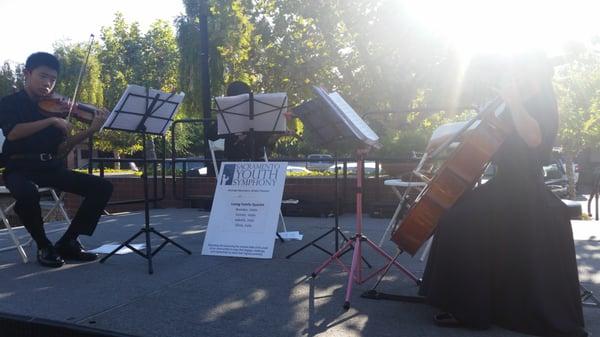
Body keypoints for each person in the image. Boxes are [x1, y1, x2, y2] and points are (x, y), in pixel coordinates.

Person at [418, 53, 587, 337]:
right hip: (505, 184)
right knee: (455, 216)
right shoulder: (518, 100)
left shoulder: (542, 99)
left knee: (459, 221)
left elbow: (533, 139)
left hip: (523, 187)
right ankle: (471, 299)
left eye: (523, 69)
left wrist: (513, 101)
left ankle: (470, 310)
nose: (518, 75)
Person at [0, 52, 113, 268]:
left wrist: (90, 130)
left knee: (102, 187)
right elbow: (13, 133)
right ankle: (44, 245)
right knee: (26, 193)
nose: (48, 84)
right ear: (27, 73)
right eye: (43, 76)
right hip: (18, 167)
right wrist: (51, 121)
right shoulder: (10, 103)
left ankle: (68, 242)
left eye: (52, 79)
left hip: (49, 166)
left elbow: (62, 149)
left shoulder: (57, 107)